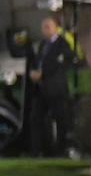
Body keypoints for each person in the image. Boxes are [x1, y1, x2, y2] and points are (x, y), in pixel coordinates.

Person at [29, 15, 81, 156]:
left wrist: (43, 73)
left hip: (56, 90)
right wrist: (33, 72)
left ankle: (61, 150)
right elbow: (37, 61)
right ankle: (38, 150)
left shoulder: (62, 44)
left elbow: (62, 62)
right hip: (42, 89)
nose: (45, 30)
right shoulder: (42, 45)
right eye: (43, 27)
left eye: (48, 27)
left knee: (60, 120)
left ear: (55, 27)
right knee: (36, 118)